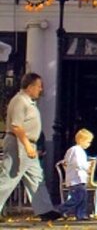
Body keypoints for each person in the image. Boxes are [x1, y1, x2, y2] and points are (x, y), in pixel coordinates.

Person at [0, 73, 59, 220]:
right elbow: (16, 126)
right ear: (30, 87)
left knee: (36, 178)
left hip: (28, 145)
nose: (41, 89)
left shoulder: (28, 102)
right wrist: (27, 146)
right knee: (9, 177)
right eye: (39, 86)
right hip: (18, 144)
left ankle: (45, 210)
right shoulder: (20, 101)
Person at [56, 129, 93, 221]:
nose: (89, 144)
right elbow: (78, 163)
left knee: (83, 197)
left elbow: (66, 161)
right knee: (78, 197)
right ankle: (61, 209)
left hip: (78, 178)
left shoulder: (74, 150)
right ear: (81, 140)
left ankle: (81, 214)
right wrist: (88, 167)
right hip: (76, 178)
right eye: (88, 142)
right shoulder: (77, 151)